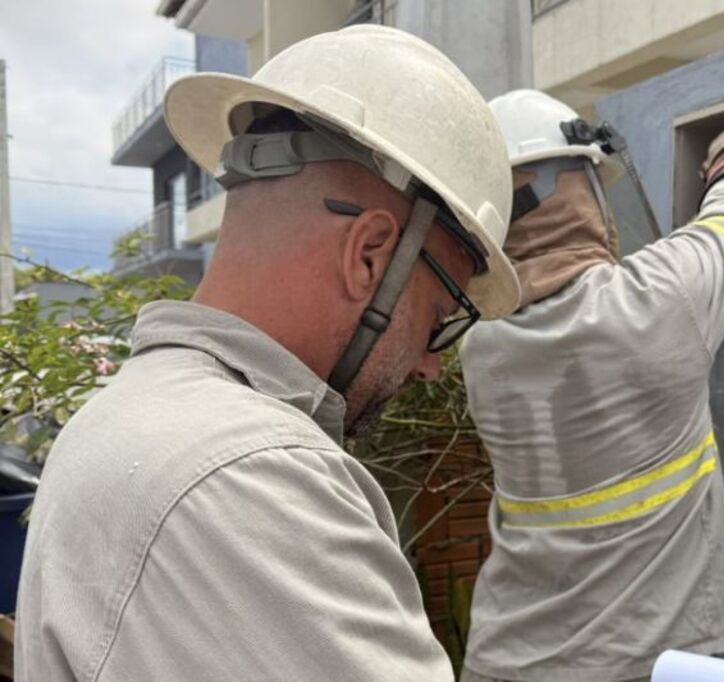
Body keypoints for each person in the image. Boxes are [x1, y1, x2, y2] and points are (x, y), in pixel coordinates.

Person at [15, 26, 520, 681]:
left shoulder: (120, 418)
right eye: (438, 320)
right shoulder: (257, 475)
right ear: (369, 256)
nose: (430, 365)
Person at [457, 89, 724, 682]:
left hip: (505, 657)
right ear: (581, 193)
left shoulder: (480, 347)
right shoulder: (656, 299)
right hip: (629, 663)